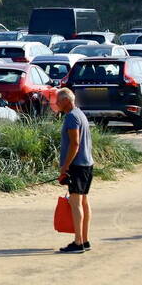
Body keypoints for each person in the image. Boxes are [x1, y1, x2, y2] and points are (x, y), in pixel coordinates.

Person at [56, 88, 94, 254]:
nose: (56, 103)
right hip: (87, 164)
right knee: (83, 201)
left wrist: (65, 166)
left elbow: (75, 144)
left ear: (66, 101)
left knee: (76, 202)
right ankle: (84, 240)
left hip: (78, 166)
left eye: (58, 100)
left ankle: (78, 242)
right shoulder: (80, 114)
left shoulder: (72, 117)